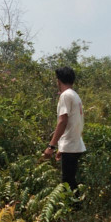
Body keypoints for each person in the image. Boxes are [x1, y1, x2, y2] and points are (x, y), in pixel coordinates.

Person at [42, 66, 86, 194]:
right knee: (70, 181)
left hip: (71, 145)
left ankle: (74, 210)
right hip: (74, 144)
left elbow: (63, 121)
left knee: (67, 183)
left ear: (59, 81)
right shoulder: (75, 95)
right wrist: (62, 147)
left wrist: (51, 146)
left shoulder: (65, 96)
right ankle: (76, 209)